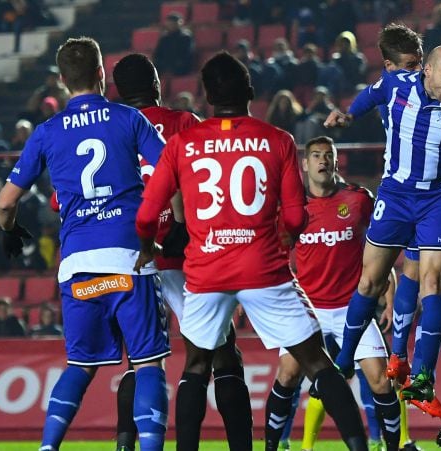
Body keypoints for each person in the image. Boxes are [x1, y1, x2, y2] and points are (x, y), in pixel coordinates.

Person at [135, 51, 368, 451]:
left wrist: (147, 244)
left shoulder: (182, 143)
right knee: (317, 363)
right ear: (250, 91)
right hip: (263, 267)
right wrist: (283, 236)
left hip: (206, 271)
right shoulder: (278, 140)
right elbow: (297, 217)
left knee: (195, 367)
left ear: (207, 95)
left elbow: (145, 215)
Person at [0, 37, 170, 451]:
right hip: (129, 259)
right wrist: (172, 222)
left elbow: (6, 204)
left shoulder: (46, 132)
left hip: (78, 268)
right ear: (100, 73)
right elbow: (171, 170)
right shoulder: (128, 119)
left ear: (61, 80)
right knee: (147, 365)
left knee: (79, 365)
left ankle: (48, 446)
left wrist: (11, 230)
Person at [325, 45, 441, 403]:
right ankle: (343, 360)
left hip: (437, 200)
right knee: (370, 282)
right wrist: (349, 116)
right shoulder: (397, 85)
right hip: (395, 196)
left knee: (432, 284)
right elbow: (370, 96)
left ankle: (422, 376)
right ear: (427, 71)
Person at [112, 52, 253, 451]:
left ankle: (126, 444)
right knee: (221, 356)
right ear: (157, 84)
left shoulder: (114, 127)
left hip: (131, 258)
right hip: (182, 255)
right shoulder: (181, 123)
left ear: (120, 93)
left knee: (141, 364)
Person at [269, 136, 402, 451]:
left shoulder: (359, 200)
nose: (322, 160)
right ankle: (272, 446)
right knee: (287, 374)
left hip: (351, 308)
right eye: (315, 155)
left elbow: (381, 250)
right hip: (309, 310)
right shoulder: (293, 207)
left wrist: (391, 293)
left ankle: (393, 446)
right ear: (305, 164)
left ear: (336, 160)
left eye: (327, 155)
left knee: (382, 381)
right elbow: (273, 254)